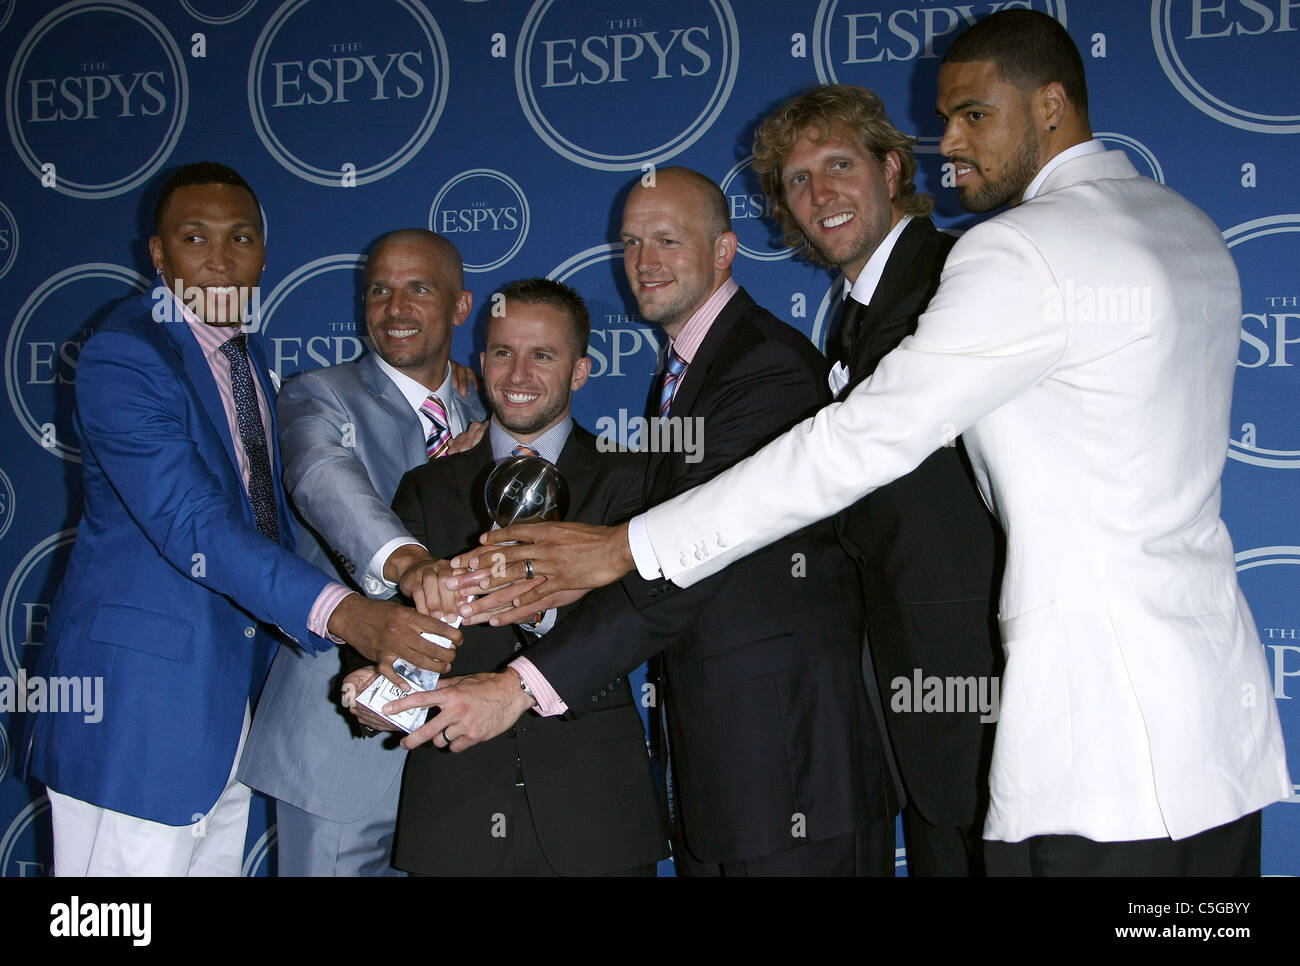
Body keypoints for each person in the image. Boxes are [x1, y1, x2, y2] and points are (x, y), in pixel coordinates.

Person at [446, 10, 1294, 876]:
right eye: (797, 180)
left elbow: (854, 444)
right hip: (1211, 720)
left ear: (1049, 105)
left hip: (1089, 732)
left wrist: (626, 550)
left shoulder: (1010, 254)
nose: (950, 145)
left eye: (972, 116)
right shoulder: (1179, 225)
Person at [398, 168, 898, 875]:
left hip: (790, 768)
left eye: (668, 239)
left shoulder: (763, 368)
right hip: (724, 776)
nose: (644, 262)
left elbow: (691, 559)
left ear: (725, 250)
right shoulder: (684, 376)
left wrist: (519, 687)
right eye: (631, 242)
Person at [14, 163, 457, 876]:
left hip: (226, 714)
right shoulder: (125, 354)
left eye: (241, 238)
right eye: (195, 238)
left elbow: (281, 514)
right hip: (137, 713)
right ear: (158, 255)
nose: (220, 259)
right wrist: (352, 618)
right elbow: (195, 523)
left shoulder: (246, 358)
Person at [751, 83, 1004, 876]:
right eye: (797, 180)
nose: (819, 193)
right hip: (906, 690)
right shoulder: (853, 313)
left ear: (893, 169)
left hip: (977, 680)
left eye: (838, 165)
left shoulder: (954, 278)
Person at [346, 277, 667, 875]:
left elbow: (641, 616)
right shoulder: (429, 486)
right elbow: (390, 620)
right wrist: (372, 687)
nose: (518, 375)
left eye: (542, 355)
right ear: (481, 359)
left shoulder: (632, 480)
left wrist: (537, 601)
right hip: (455, 804)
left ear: (580, 372)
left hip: (596, 809)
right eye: (502, 352)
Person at [236, 229, 486, 876]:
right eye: (379, 289)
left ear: (461, 306)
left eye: (419, 289)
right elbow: (323, 479)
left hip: (464, 746)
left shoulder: (488, 405)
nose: (394, 307)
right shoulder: (316, 394)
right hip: (340, 744)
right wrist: (408, 564)